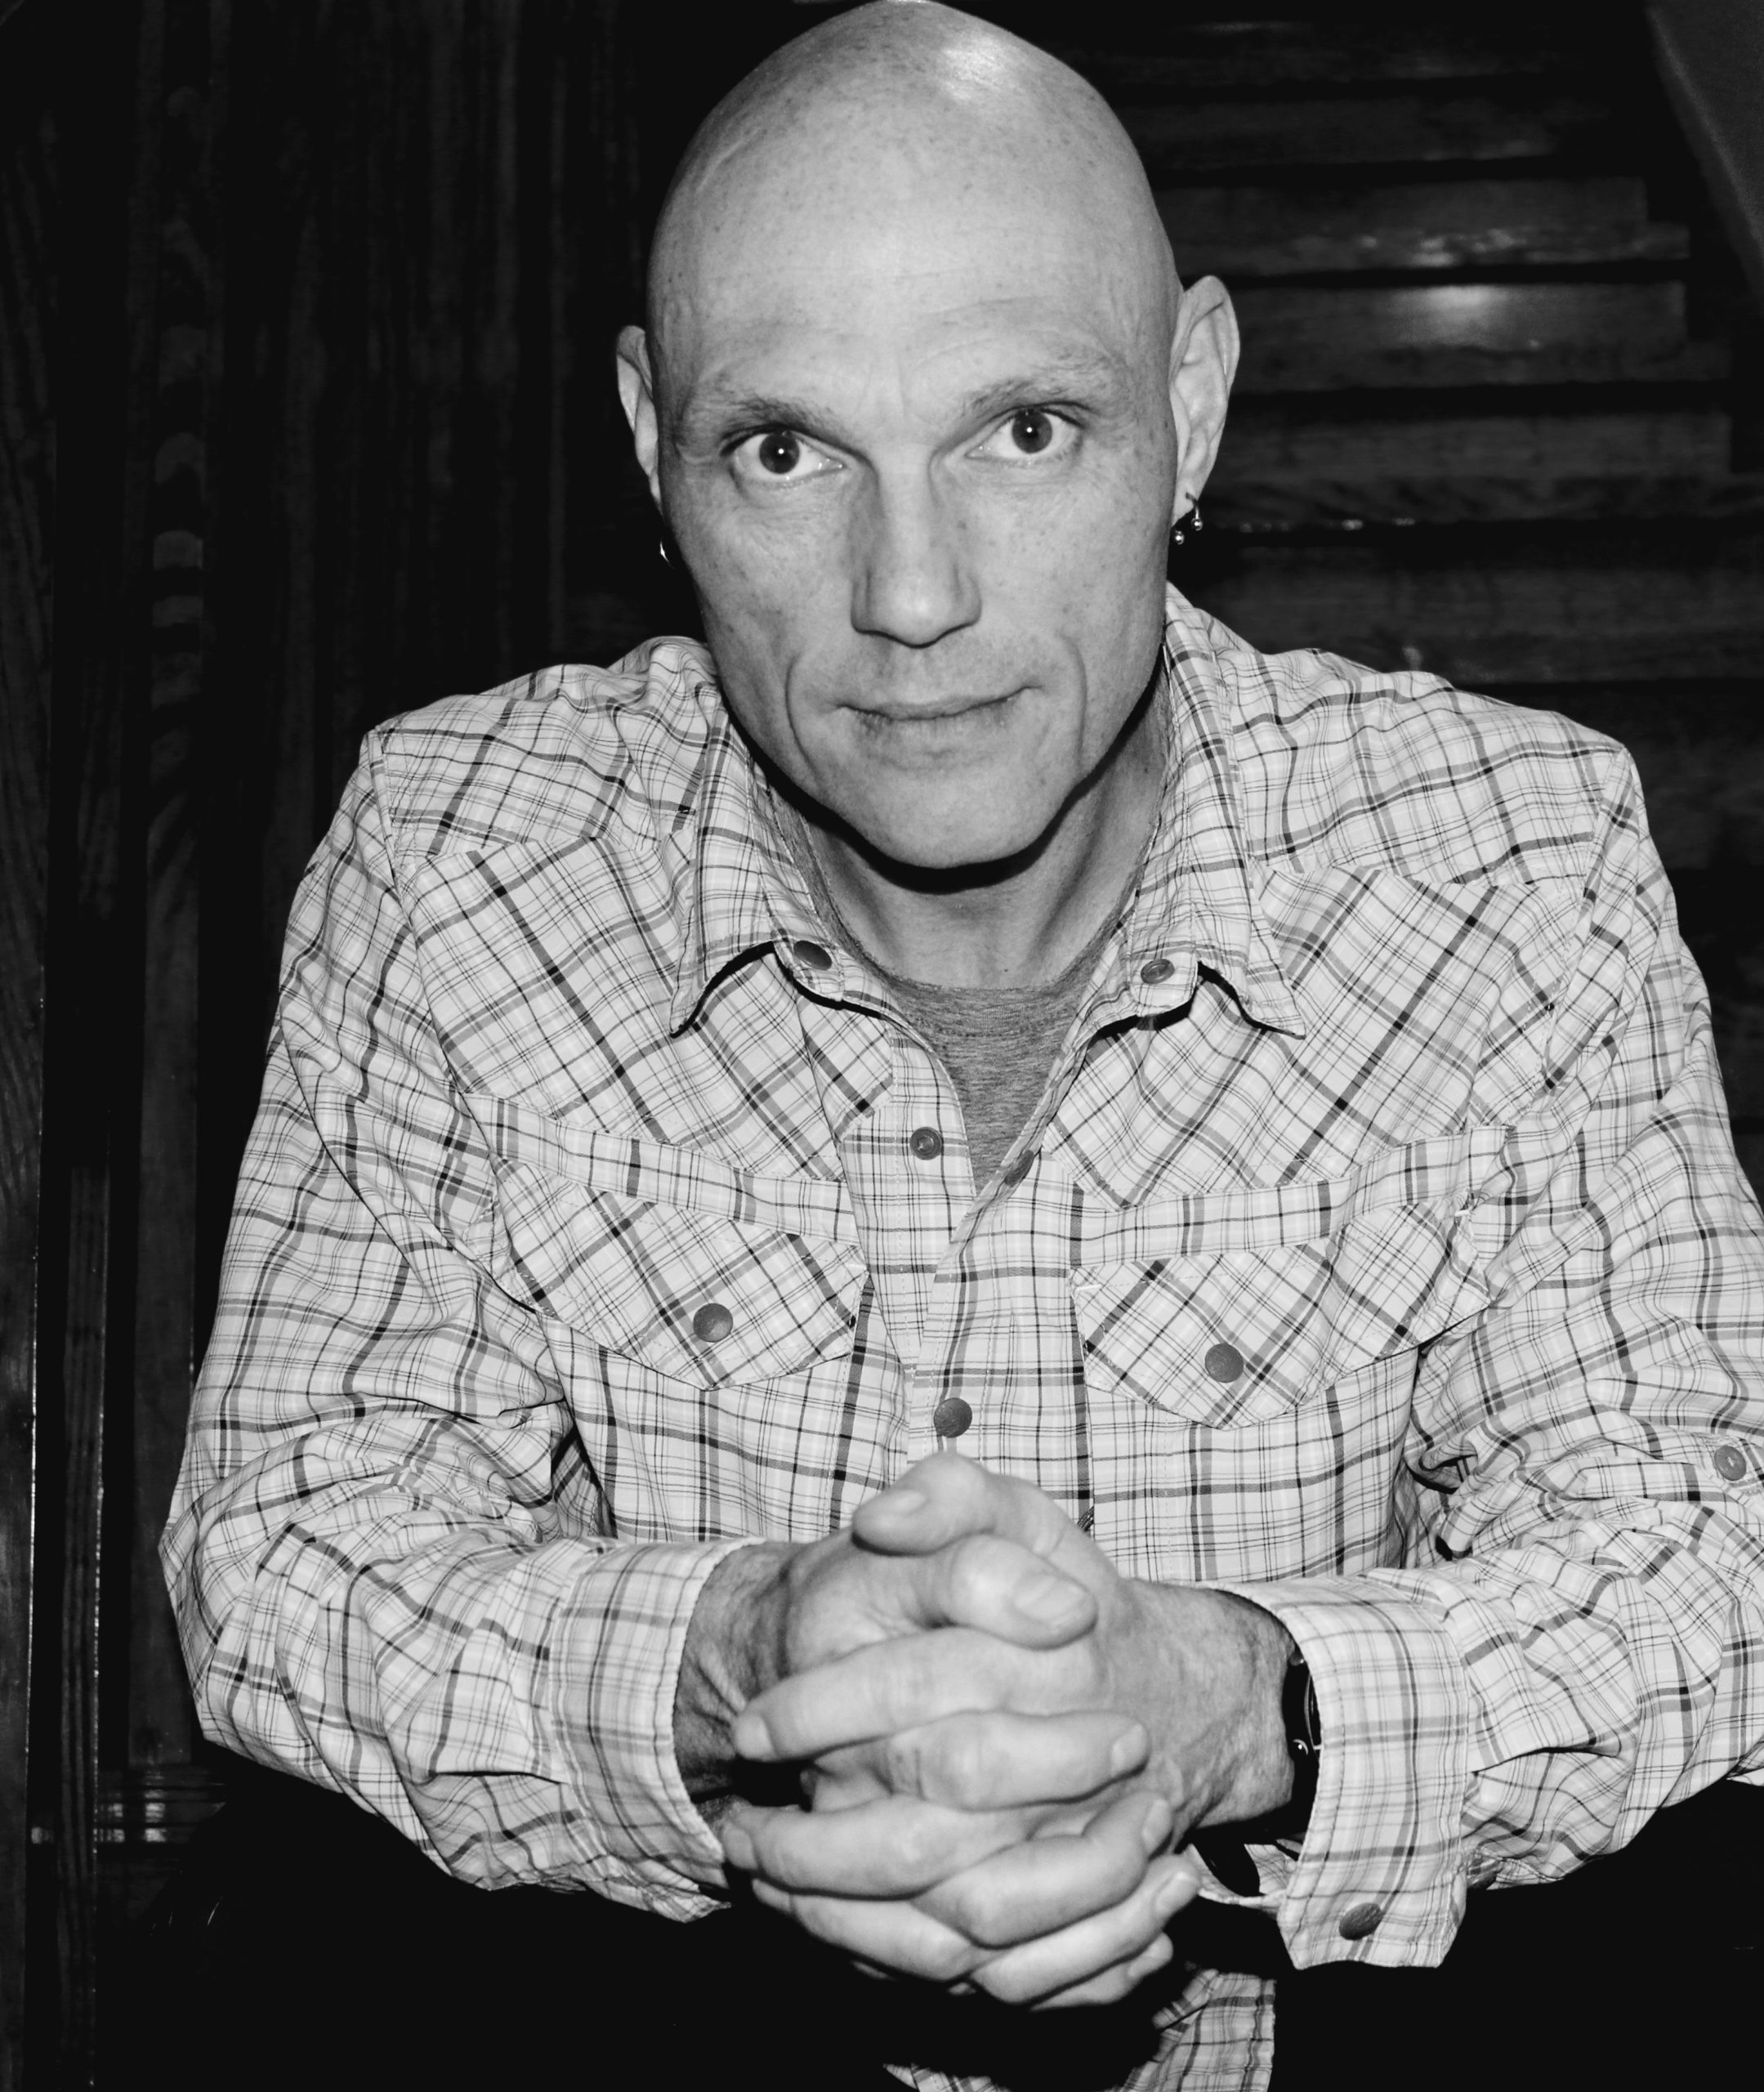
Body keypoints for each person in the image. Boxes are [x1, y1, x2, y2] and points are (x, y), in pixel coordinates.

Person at [159, 6, 1764, 2089]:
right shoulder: (464, 855)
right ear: (650, 440)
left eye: (1025, 428)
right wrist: (735, 1665)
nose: (909, 594)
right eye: (785, 449)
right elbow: (286, 1538)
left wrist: (1236, 1699)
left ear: (1191, 400)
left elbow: (1711, 1545)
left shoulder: (1511, 859)